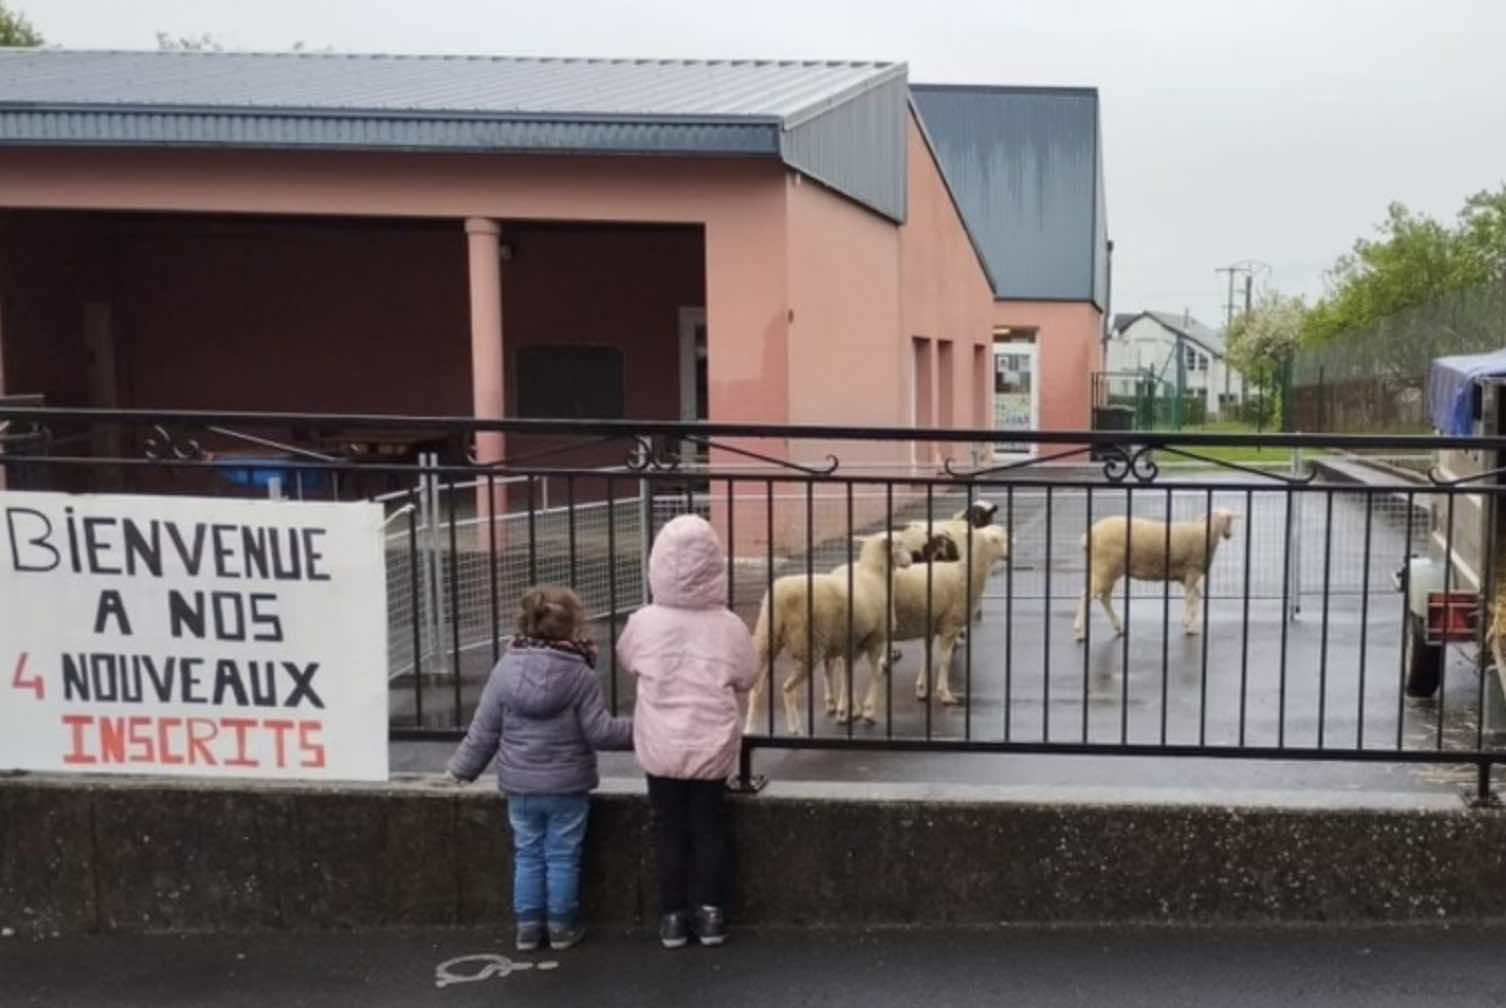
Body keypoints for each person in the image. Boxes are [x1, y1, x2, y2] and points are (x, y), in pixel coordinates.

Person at [444, 585, 632, 953]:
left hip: (520, 786)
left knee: (528, 852)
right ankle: (561, 926)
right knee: (563, 855)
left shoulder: (503, 671)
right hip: (567, 786)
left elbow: (484, 730)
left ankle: (528, 927)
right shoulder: (580, 675)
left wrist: (461, 769)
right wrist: (644, 730)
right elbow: (600, 732)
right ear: (573, 627)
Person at [616, 514, 757, 949]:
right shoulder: (730, 625)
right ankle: (712, 914)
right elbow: (748, 675)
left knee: (668, 829)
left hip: (660, 746)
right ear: (716, 567)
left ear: (657, 563)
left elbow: (627, 659)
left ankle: (674, 916)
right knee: (709, 828)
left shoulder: (644, 621)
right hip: (711, 745)